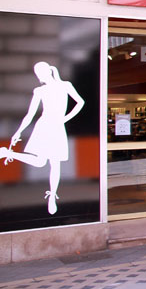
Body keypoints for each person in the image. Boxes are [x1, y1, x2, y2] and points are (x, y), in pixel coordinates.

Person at [0, 62, 84, 214]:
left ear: (45, 72)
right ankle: (8, 153)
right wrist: (18, 132)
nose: (38, 76)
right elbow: (30, 114)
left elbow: (80, 102)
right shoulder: (40, 90)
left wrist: (65, 119)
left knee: (55, 163)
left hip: (57, 126)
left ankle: (52, 195)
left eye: (38, 73)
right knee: (40, 162)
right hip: (44, 126)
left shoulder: (65, 85)